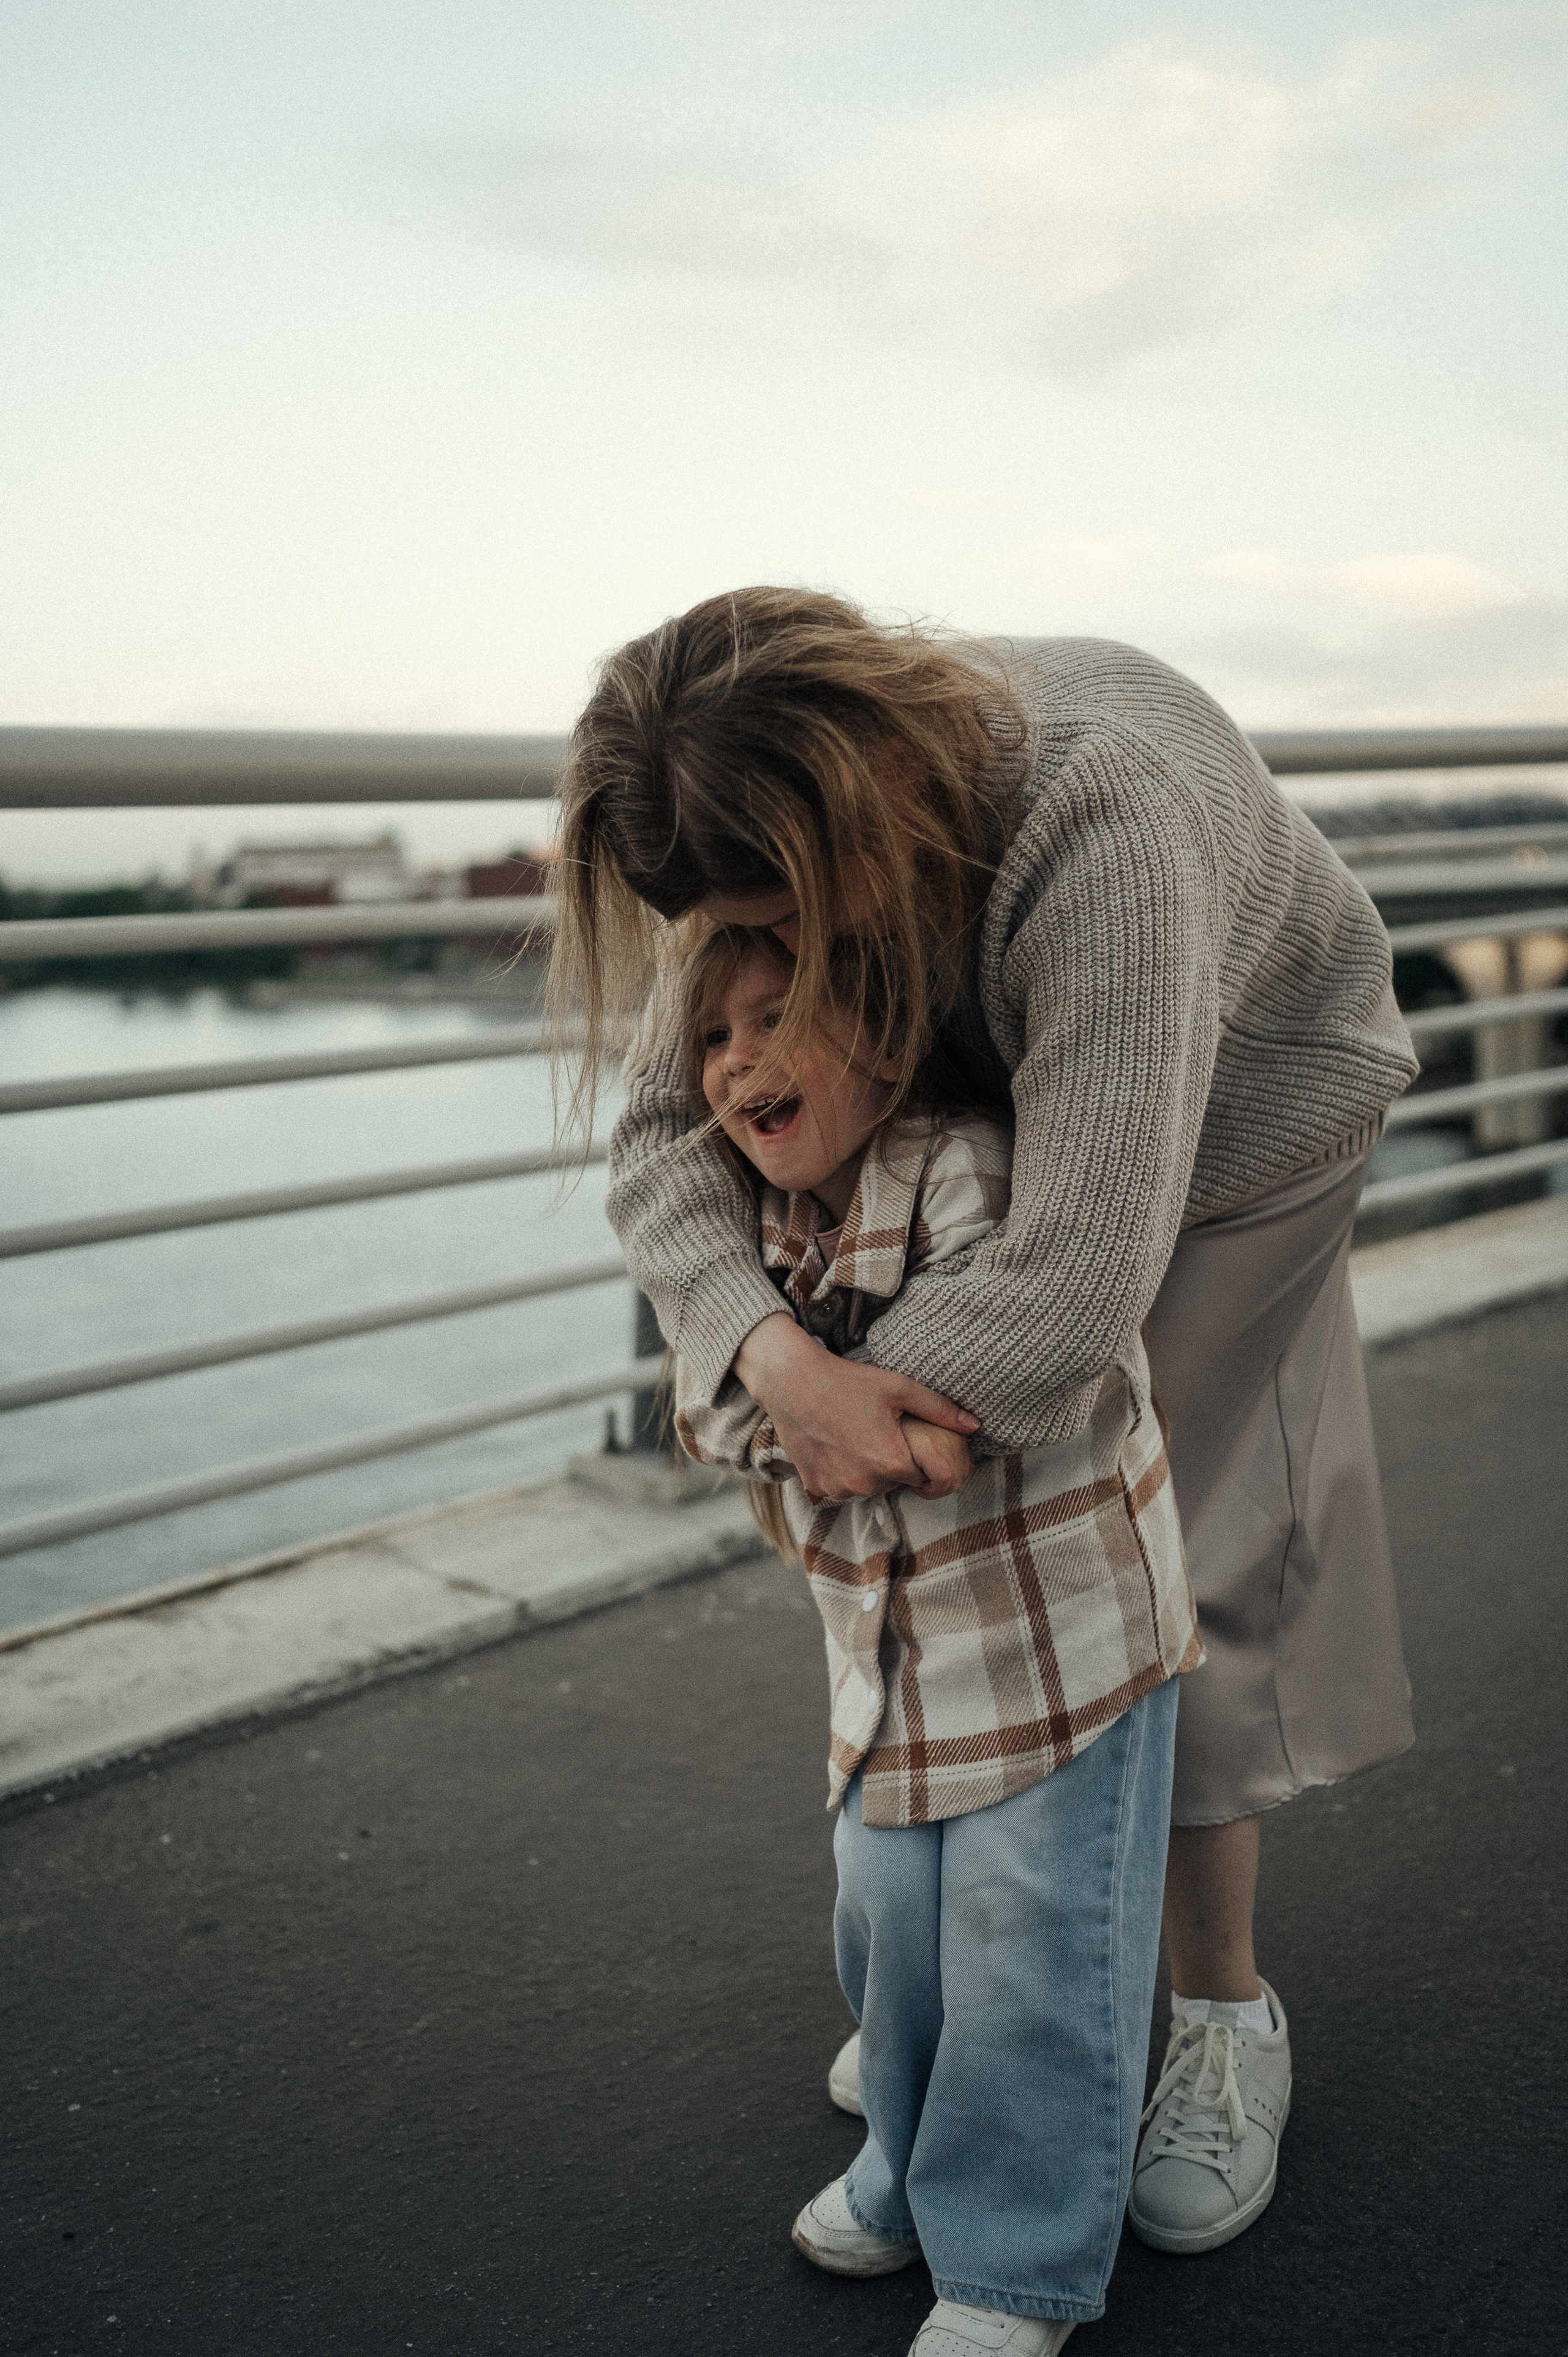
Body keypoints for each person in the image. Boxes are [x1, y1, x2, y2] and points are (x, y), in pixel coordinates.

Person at [549, 587, 1417, 2268]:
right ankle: (968, 2011)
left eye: (773, 912)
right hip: (990, 1094)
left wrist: (841, 1424)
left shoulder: (1104, 820)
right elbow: (660, 1147)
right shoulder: (737, 809)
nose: (742, 947)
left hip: (1243, 1124)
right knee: (950, 1569)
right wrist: (785, 1376)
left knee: (1159, 1565)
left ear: (850, 820)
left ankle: (1221, 2026)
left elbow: (1078, 1280)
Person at [665, 920, 1200, 2352]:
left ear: (888, 1042)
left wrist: (808, 1396)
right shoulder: (759, 1226)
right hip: (892, 1669)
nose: (738, 1061)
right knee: (888, 1928)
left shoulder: (964, 1161)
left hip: (1057, 1638)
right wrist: (799, 1398)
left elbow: (944, 1415)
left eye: (779, 1018)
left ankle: (1014, 2261)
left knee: (1026, 1944)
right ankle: (905, 2171)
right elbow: (704, 1406)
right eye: (716, 1035)